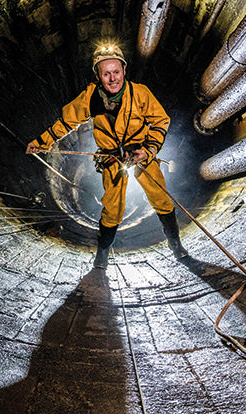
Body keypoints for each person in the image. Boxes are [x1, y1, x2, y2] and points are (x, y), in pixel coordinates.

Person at [26, 43, 188, 268]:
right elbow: (66, 122)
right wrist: (40, 143)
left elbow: (160, 120)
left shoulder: (139, 93)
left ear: (124, 70)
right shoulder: (90, 98)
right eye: (106, 74)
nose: (113, 79)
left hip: (141, 153)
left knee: (160, 197)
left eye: (116, 72)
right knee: (113, 209)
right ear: (98, 76)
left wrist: (149, 149)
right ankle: (103, 251)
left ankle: (175, 244)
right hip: (112, 159)